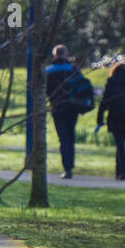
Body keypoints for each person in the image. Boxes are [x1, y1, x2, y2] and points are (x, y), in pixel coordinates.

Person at [44, 44, 84, 179]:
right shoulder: (74, 70)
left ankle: (67, 168)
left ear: (54, 55)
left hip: (57, 107)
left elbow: (44, 90)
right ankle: (70, 165)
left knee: (63, 139)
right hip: (73, 108)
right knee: (71, 137)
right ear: (66, 55)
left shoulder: (48, 71)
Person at [96, 59, 125, 181]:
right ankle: (119, 172)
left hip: (115, 117)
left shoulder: (111, 83)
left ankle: (122, 171)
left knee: (120, 144)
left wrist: (99, 118)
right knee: (121, 144)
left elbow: (104, 102)